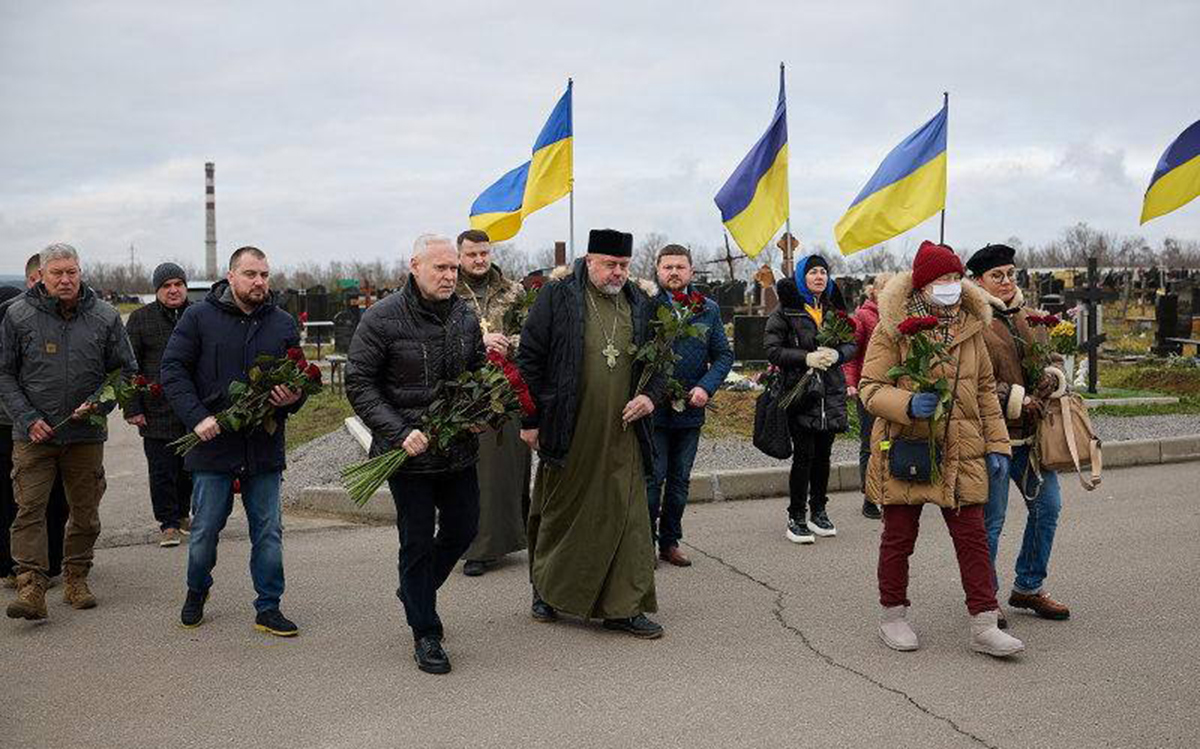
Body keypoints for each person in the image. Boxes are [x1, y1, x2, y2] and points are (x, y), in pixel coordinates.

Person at [861, 240, 1024, 657]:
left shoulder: (972, 326)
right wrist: (907, 404)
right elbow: (870, 389)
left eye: (955, 277)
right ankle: (893, 615)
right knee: (899, 537)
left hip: (963, 447)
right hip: (909, 446)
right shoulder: (893, 327)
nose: (950, 285)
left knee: (972, 538)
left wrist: (998, 445)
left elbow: (985, 391)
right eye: (941, 278)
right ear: (922, 285)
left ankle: (984, 624)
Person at [346, 234, 486, 674]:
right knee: (417, 541)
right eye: (440, 268)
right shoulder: (382, 318)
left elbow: (478, 370)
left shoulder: (464, 316)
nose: (449, 276)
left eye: (453, 269)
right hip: (407, 456)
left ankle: (414, 590)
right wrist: (400, 431)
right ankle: (426, 632)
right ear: (414, 266)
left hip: (456, 449)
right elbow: (359, 384)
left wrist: (480, 410)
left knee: (464, 528)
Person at [517, 228, 665, 638]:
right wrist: (530, 420)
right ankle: (547, 590)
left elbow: (661, 362)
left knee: (627, 514)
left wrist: (650, 397)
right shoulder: (559, 295)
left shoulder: (641, 302)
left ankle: (625, 606)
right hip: (569, 425)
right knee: (562, 512)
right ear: (590, 260)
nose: (618, 273)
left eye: (624, 265)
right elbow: (529, 358)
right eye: (610, 264)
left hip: (624, 429)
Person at [160, 246, 305, 637]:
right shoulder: (198, 317)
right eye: (250, 274)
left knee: (268, 531)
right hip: (213, 445)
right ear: (231, 276)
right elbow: (172, 370)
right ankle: (197, 589)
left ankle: (269, 606)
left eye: (264, 275)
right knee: (205, 530)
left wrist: (292, 398)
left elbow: (298, 378)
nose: (259, 282)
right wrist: (197, 417)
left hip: (263, 446)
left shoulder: (281, 323)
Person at [1, 243, 137, 620]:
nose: (65, 279)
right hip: (33, 436)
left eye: (71, 272)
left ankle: (76, 576)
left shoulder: (105, 316)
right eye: (57, 273)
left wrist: (99, 404)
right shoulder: (18, 315)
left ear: (80, 272)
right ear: (41, 276)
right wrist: (27, 418)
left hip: (84, 436)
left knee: (85, 511)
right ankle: (31, 585)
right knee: (29, 509)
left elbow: (125, 372)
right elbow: (4, 373)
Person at [967, 243, 1070, 624]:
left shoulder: (1030, 317)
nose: (1007, 281)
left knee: (1048, 508)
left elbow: (1053, 360)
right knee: (991, 523)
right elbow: (969, 380)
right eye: (997, 275)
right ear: (978, 281)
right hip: (992, 439)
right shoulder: (971, 321)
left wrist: (1052, 378)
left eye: (1011, 273)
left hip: (1032, 439)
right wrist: (1015, 397)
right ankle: (985, 599)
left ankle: (1028, 586)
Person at [645, 245, 733, 567]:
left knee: (680, 481)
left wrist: (705, 387)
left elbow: (723, 355)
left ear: (691, 271)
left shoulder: (707, 309)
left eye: (680, 267)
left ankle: (670, 542)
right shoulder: (646, 307)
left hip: (691, 408)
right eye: (667, 267)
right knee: (652, 479)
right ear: (658, 270)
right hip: (654, 409)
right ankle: (645, 543)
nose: (674, 272)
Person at [454, 229, 531, 578]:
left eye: (484, 253)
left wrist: (507, 343)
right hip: (463, 390)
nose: (479, 260)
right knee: (473, 472)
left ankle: (506, 539)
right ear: (460, 256)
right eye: (471, 254)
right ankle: (476, 547)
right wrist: (478, 341)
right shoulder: (448, 290)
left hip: (507, 389)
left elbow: (532, 332)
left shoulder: (513, 291)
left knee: (505, 470)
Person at [764, 255, 856, 544]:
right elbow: (772, 349)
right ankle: (796, 516)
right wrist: (806, 358)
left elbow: (851, 343)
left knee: (824, 456)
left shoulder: (833, 309)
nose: (819, 277)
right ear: (802, 277)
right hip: (801, 393)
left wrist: (838, 354)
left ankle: (819, 511)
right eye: (813, 272)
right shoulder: (786, 310)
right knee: (804, 456)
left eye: (823, 272)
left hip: (831, 392)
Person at [1, 254, 70, 589]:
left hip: (45, 422)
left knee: (51, 497)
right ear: (35, 278)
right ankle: (16, 565)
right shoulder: (11, 312)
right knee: (18, 498)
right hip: (11, 421)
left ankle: (49, 563)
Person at [125, 262, 193, 548]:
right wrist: (133, 407)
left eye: (178, 284)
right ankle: (168, 523)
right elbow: (128, 367)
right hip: (156, 410)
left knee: (189, 468)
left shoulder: (198, 315)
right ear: (157, 290)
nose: (173, 290)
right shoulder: (140, 319)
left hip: (192, 408)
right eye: (166, 286)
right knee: (162, 470)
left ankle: (183, 515)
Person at [844, 273, 893, 520]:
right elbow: (853, 355)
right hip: (870, 388)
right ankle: (870, 497)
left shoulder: (898, 314)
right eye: (886, 290)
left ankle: (889, 492)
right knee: (870, 443)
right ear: (875, 292)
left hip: (894, 390)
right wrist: (850, 383)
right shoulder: (864, 316)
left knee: (889, 443)